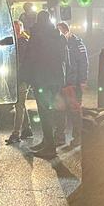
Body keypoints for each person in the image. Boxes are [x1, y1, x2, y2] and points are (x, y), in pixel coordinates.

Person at [21, 10, 69, 159]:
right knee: (54, 110)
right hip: (56, 79)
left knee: (44, 112)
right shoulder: (58, 36)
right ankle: (49, 141)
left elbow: (30, 58)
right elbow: (65, 58)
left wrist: (25, 76)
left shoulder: (36, 36)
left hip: (41, 79)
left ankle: (49, 146)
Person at [57, 21, 88, 149]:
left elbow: (83, 63)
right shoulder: (59, 44)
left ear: (66, 30)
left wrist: (82, 81)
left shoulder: (77, 44)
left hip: (73, 84)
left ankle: (77, 137)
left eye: (60, 31)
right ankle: (59, 137)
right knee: (59, 111)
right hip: (61, 83)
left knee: (75, 112)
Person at [7, 19, 33, 144]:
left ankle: (16, 133)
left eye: (18, 28)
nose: (15, 30)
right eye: (14, 28)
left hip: (21, 78)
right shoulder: (17, 42)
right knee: (20, 105)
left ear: (21, 29)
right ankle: (27, 129)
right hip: (17, 78)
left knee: (19, 105)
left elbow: (20, 62)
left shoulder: (22, 42)